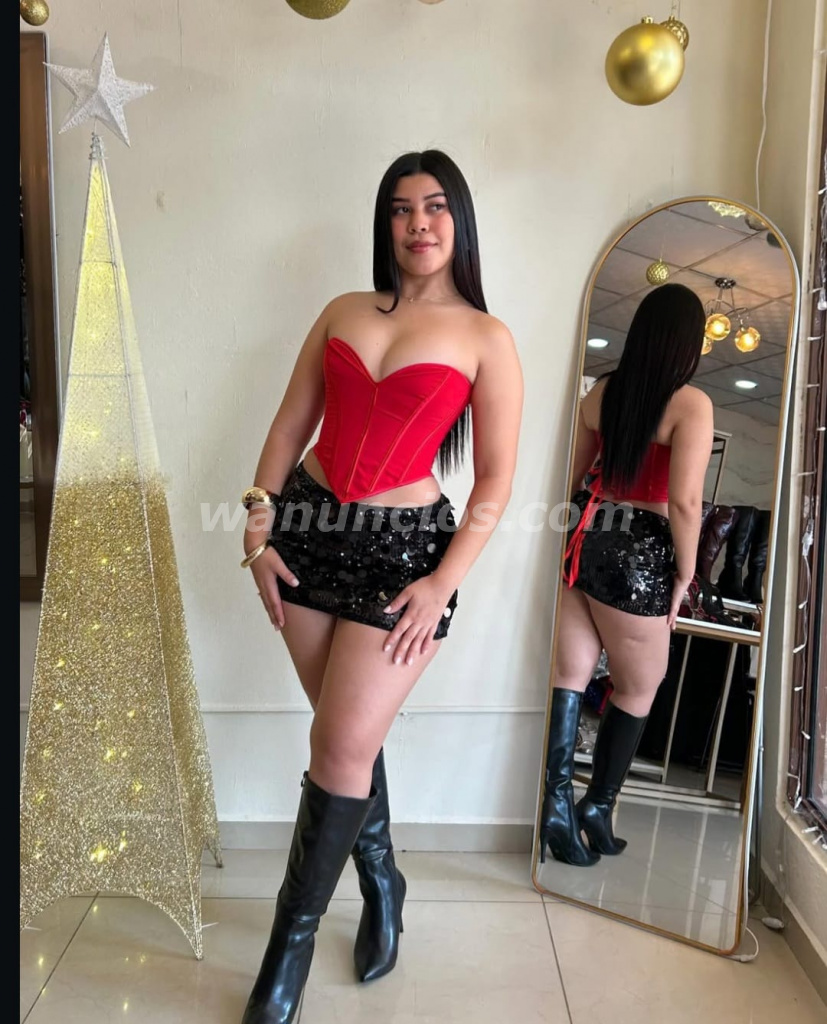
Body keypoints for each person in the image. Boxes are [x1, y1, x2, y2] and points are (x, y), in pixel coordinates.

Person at [238, 150, 523, 1024]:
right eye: (400, 209)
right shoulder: (342, 310)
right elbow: (290, 424)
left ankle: (284, 958)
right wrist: (257, 527)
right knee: (347, 740)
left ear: (458, 220)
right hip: (306, 534)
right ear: (385, 223)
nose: (418, 223)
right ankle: (382, 879)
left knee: (336, 745)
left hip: (403, 557)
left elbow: (496, 481)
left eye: (434, 207)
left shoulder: (486, 337)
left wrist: (441, 584)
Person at [538, 283, 712, 867]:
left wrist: (571, 535)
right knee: (641, 685)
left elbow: (571, 477)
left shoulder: (603, 392)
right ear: (686, 343)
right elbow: (685, 502)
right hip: (642, 549)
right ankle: (597, 804)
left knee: (569, 677)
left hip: (587, 536)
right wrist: (687, 572)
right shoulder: (691, 404)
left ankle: (557, 808)